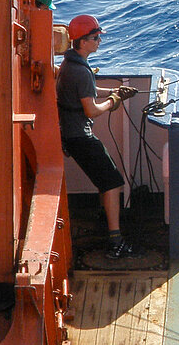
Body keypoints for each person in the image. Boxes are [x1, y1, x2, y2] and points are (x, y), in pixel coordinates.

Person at [56, 14, 139, 259]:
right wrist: (113, 101)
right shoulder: (80, 71)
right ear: (82, 42)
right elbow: (91, 109)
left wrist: (114, 91)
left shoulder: (70, 64)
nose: (98, 41)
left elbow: (87, 90)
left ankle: (109, 222)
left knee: (106, 180)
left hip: (71, 134)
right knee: (112, 181)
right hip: (79, 136)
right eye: (94, 38)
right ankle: (115, 242)